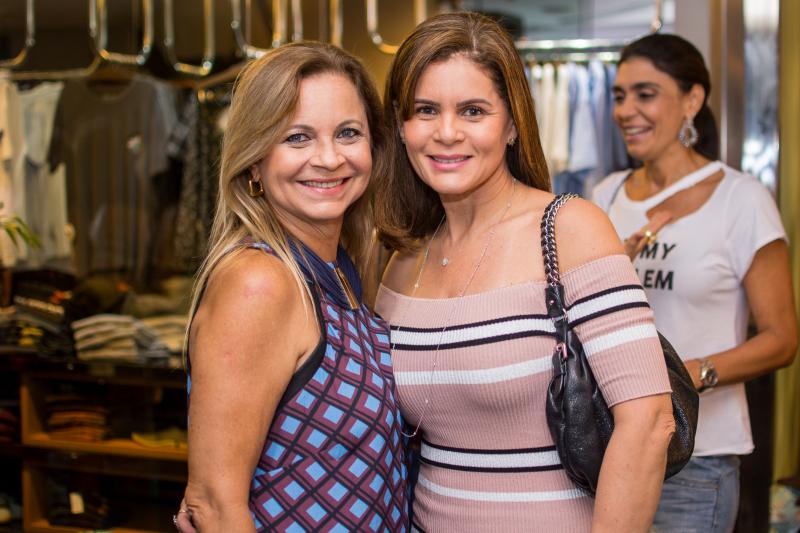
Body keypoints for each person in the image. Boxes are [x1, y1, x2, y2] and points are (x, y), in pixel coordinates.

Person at [374, 12, 676, 532]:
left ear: (512, 125)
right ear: (401, 128)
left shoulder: (568, 229)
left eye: (473, 110)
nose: (446, 133)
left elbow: (648, 422)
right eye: (425, 110)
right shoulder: (403, 259)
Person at [174, 42, 409, 532]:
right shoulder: (258, 283)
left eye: (348, 133)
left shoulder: (340, 272)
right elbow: (212, 505)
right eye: (297, 137)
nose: (328, 158)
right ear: (254, 161)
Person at [592, 33, 797, 533]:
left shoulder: (741, 199)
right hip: (609, 448)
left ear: (692, 100)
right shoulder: (606, 195)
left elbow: (781, 340)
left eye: (645, 94)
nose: (625, 111)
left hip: (696, 461)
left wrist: (688, 375)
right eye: (619, 96)